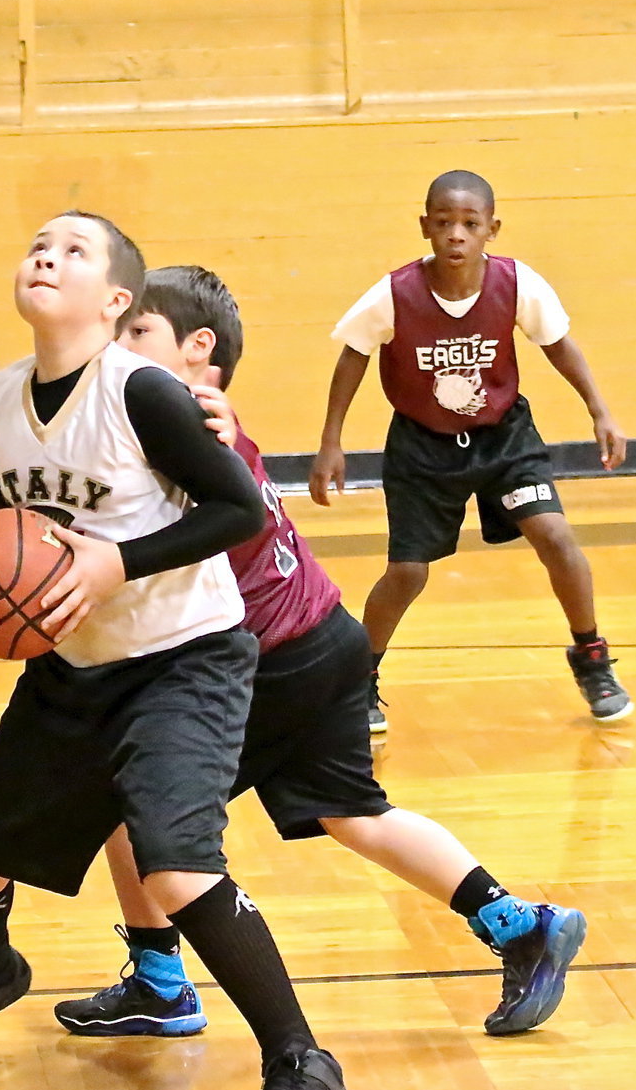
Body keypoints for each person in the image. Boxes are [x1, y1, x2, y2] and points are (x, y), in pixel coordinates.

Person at [0, 213, 351, 1090]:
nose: (46, 256)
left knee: (175, 866)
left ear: (116, 300)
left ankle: (302, 1062)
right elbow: (31, 539)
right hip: (77, 662)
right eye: (37, 246)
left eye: (74, 251)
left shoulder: (139, 391)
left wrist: (112, 563)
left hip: (188, 658)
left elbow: (237, 511)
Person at [51, 264, 586, 1046]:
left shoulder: (187, 426)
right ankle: (519, 923)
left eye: (137, 331)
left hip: (270, 656)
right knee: (355, 812)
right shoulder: (187, 416)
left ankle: (162, 983)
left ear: (200, 351)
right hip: (324, 637)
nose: (117, 343)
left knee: (131, 799)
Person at [309, 170, 632, 732]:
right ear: (425, 227)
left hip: (503, 437)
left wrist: (600, 410)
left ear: (491, 230)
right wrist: (331, 441)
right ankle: (358, 678)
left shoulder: (517, 284)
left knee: (555, 536)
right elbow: (352, 357)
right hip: (421, 446)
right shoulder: (395, 293)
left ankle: (591, 655)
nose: (456, 234)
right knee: (408, 573)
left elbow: (559, 345)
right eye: (443, 223)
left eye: (469, 224)